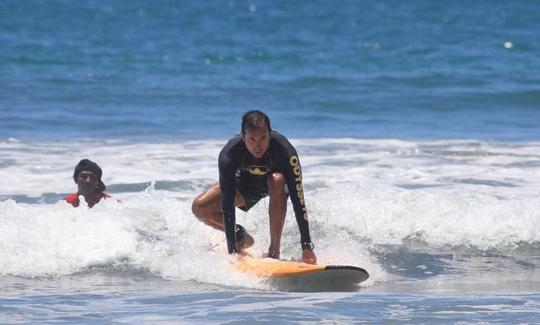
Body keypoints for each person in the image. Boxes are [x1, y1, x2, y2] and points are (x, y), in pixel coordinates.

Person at [192, 110, 317, 264]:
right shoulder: (229, 154)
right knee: (199, 207)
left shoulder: (286, 153)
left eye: (263, 138)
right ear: (243, 137)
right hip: (243, 187)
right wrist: (233, 251)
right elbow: (228, 203)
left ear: (270, 135)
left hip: (273, 186)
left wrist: (306, 246)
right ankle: (241, 237)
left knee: (277, 180)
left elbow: (298, 199)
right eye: (252, 139)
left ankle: (274, 251)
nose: (258, 145)